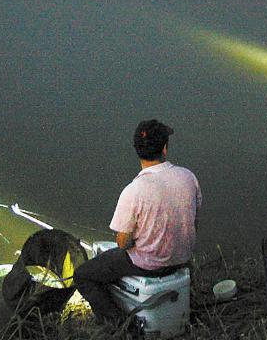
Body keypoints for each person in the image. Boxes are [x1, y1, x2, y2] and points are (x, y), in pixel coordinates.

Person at [74, 119, 202, 324]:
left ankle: (117, 325)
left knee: (83, 275)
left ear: (137, 151)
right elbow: (194, 221)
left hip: (148, 265)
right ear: (165, 149)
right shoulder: (188, 177)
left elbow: (123, 243)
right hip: (182, 258)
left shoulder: (133, 190)